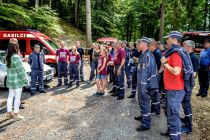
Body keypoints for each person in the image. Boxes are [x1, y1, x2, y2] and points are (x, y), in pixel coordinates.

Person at [161, 31, 192, 140]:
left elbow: (176, 71)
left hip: (175, 90)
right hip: (172, 89)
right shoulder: (177, 51)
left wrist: (165, 63)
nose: (167, 40)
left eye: (168, 38)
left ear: (174, 40)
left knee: (174, 116)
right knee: (170, 114)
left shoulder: (175, 53)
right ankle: (171, 133)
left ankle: (175, 137)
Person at [134, 37, 159, 131]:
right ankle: (143, 116)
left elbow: (145, 73)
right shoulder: (146, 54)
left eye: (139, 43)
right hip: (144, 84)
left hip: (145, 84)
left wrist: (143, 88)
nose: (138, 44)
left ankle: (146, 124)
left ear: (144, 43)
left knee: (144, 102)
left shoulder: (146, 56)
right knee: (142, 102)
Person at [6, 43, 29, 119]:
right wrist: (26, 80)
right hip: (17, 81)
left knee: (10, 97)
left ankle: (9, 113)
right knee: (17, 98)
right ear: (15, 48)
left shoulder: (7, 57)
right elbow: (20, 71)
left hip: (10, 81)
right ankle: (16, 114)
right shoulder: (16, 57)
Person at [182, 40, 199, 133]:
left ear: (188, 47)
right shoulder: (188, 56)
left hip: (188, 84)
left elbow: (194, 74)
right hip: (186, 83)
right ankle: (186, 119)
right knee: (185, 104)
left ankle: (189, 127)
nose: (182, 48)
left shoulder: (193, 57)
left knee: (186, 104)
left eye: (184, 46)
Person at [148, 39, 161, 115]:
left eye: (150, 46)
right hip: (155, 75)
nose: (149, 47)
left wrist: (159, 72)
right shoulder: (155, 52)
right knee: (154, 93)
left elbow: (161, 63)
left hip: (156, 75)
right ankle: (154, 109)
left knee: (155, 93)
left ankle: (156, 110)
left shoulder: (157, 53)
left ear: (154, 46)